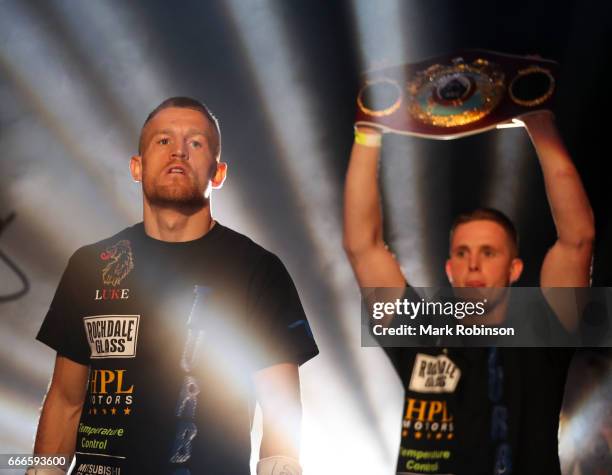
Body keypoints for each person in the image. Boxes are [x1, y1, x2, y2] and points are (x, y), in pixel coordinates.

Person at [33, 97, 318, 475]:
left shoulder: (258, 270)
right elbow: (66, 402)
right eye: (163, 141)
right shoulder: (89, 264)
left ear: (218, 173)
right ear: (137, 166)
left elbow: (281, 410)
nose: (179, 152)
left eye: (196, 143)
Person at [343, 110, 594, 474]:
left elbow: (577, 240)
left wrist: (540, 123)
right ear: (449, 268)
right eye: (462, 253)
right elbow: (362, 247)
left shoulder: (544, 332)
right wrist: (368, 130)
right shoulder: (422, 334)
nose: (473, 264)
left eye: (488, 252)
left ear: (515, 268)